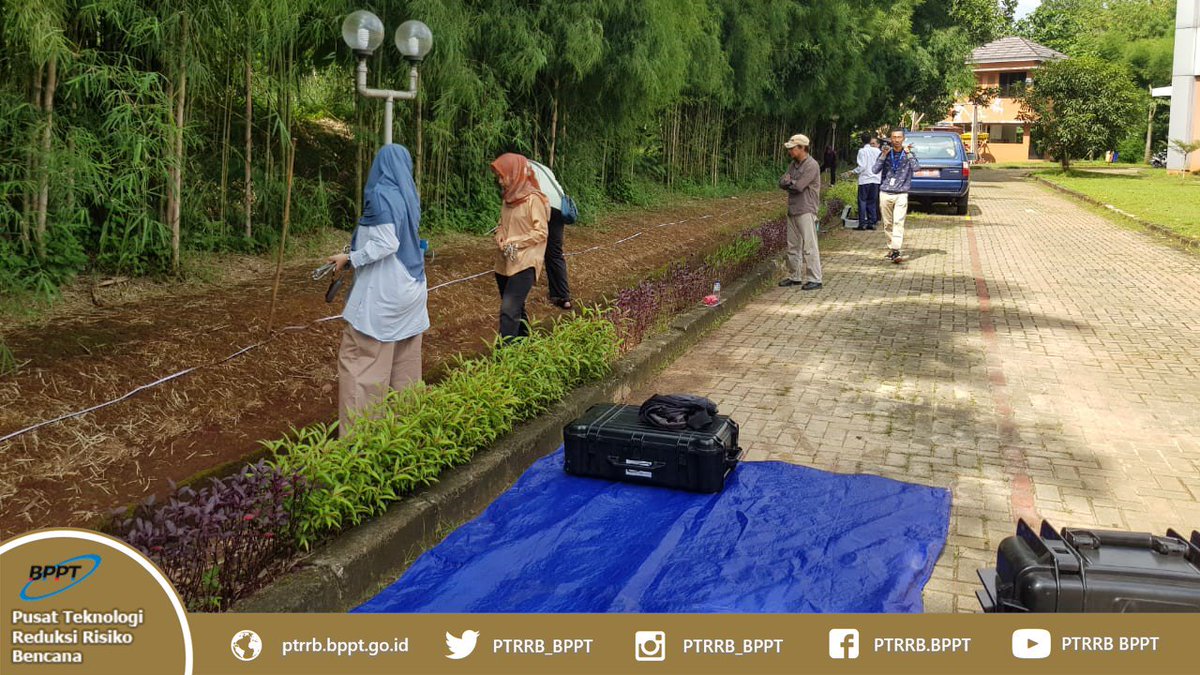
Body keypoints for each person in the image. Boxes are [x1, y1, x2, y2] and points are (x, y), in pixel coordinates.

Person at [326, 144, 429, 437]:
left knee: (361, 364)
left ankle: (362, 447)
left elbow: (386, 243)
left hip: (385, 296)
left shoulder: (382, 195)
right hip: (412, 289)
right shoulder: (408, 196)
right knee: (405, 368)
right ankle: (407, 436)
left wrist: (350, 258)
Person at [491, 153, 549, 340]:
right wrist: (500, 235)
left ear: (515, 174)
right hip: (506, 259)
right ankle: (525, 343)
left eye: (503, 176)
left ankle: (504, 357)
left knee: (508, 309)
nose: (500, 181)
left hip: (526, 261)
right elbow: (501, 224)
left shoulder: (534, 200)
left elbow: (541, 232)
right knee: (516, 307)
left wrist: (515, 240)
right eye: (499, 176)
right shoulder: (508, 199)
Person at [777, 134, 822, 290]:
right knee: (793, 245)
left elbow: (799, 186)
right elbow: (782, 181)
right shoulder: (793, 164)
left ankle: (815, 278)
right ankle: (794, 276)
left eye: (792, 148)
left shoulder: (812, 165)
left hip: (806, 209)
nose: (790, 151)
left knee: (809, 246)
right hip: (793, 208)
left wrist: (789, 181)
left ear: (802, 148)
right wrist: (789, 181)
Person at [528, 159, 572, 310]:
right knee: (554, 253)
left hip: (541, 205)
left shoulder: (520, 168)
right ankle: (563, 297)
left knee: (528, 244)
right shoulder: (544, 168)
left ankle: (521, 283)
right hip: (558, 207)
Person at [873, 129, 921, 263]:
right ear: (890, 138)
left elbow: (916, 168)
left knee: (898, 222)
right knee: (887, 223)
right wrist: (883, 155)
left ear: (903, 139)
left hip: (901, 193)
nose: (896, 140)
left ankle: (896, 250)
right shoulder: (886, 153)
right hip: (885, 192)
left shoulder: (908, 153)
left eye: (899, 137)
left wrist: (909, 154)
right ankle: (891, 248)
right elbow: (875, 170)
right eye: (894, 137)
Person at [853, 133, 882, 231]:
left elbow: (862, 166)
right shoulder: (877, 151)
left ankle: (862, 224)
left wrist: (853, 171)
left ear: (862, 140)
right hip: (876, 179)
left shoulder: (862, 151)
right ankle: (872, 223)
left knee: (862, 201)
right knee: (872, 202)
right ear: (870, 140)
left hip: (865, 180)